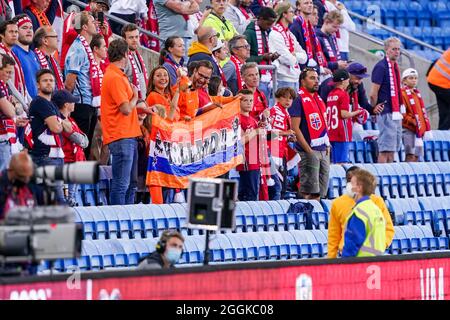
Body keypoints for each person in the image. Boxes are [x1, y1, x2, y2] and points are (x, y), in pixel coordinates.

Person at [100, 38, 142, 205]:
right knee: (122, 184)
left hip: (128, 135)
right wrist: (136, 98)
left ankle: (128, 221)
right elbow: (125, 108)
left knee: (131, 184)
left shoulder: (117, 75)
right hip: (121, 135)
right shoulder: (115, 77)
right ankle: (117, 221)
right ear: (125, 54)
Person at [328, 166, 394, 258]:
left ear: (360, 186)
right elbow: (333, 236)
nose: (350, 185)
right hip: (375, 258)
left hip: (356, 260)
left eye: (352, 182)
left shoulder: (373, 204)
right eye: (348, 181)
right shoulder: (337, 203)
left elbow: (353, 240)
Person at [29, 69, 71, 205]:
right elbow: (56, 128)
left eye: (51, 80)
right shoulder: (39, 102)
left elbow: (69, 128)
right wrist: (60, 122)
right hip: (44, 156)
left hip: (56, 155)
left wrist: (59, 122)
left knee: (56, 199)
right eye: (45, 80)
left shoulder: (52, 104)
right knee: (57, 200)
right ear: (37, 84)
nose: (49, 83)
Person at [65, 11, 101, 160]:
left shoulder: (85, 47)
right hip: (80, 105)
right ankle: (77, 181)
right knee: (79, 147)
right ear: (85, 26)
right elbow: (70, 80)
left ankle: (82, 181)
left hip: (89, 103)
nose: (96, 24)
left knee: (85, 147)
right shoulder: (78, 49)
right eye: (93, 22)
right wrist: (70, 103)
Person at [289, 68, 330, 200]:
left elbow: (323, 123)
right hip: (308, 150)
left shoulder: (318, 99)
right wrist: (308, 150)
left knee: (322, 192)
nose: (316, 81)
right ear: (303, 81)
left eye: (317, 78)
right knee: (310, 192)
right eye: (312, 78)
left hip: (323, 148)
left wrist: (327, 144)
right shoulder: (298, 99)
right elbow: (295, 127)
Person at [52, 89, 88, 207]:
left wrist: (82, 139)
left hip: (76, 162)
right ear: (66, 105)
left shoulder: (71, 120)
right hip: (67, 163)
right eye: (72, 101)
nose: (74, 104)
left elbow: (85, 140)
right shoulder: (60, 121)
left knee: (72, 196)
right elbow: (79, 139)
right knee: (68, 197)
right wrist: (82, 139)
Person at [370, 37, 403, 163]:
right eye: (394, 49)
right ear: (386, 50)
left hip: (395, 111)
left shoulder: (395, 67)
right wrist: (374, 109)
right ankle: (382, 177)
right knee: (385, 149)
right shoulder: (381, 67)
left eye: (398, 49)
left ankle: (389, 173)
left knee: (393, 149)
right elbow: (373, 93)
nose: (397, 52)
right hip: (386, 111)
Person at [341, 169, 387, 258]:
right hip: (378, 261)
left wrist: (344, 263)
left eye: (352, 183)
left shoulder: (359, 212)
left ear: (359, 188)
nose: (349, 186)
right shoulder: (375, 209)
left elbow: (353, 242)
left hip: (360, 263)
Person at [326, 69, 363, 164]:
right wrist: (357, 112)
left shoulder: (330, 94)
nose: (348, 82)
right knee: (342, 162)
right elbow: (344, 114)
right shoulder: (343, 94)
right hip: (342, 132)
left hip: (331, 131)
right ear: (343, 81)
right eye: (347, 80)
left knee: (334, 161)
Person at [269, 1, 307, 92]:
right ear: (284, 14)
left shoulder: (290, 34)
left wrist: (295, 55)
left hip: (294, 77)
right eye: (291, 12)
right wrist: (294, 56)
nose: (293, 15)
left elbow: (304, 57)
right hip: (282, 79)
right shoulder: (275, 34)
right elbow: (287, 59)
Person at [243, 7, 278, 104]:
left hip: (267, 76)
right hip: (256, 78)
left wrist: (272, 57)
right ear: (261, 19)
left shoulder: (266, 32)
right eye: (268, 23)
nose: (270, 26)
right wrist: (262, 57)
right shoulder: (249, 33)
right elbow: (244, 58)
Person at [267, 87, 297, 200]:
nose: (287, 100)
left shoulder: (285, 113)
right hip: (273, 153)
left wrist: (288, 138)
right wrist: (285, 133)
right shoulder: (274, 111)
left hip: (281, 152)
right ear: (277, 98)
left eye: (290, 98)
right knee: (276, 188)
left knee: (281, 186)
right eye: (284, 97)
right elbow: (268, 135)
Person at [0, 53, 25, 171]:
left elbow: (15, 110)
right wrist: (12, 107)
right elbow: (10, 111)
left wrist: (15, 120)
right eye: (8, 72)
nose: (10, 77)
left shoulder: (4, 86)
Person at [237, 88, 263, 201]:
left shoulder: (253, 120)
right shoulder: (237, 119)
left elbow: (263, 137)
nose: (249, 103)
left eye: (251, 100)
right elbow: (240, 141)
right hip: (247, 161)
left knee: (253, 193)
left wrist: (285, 135)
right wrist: (256, 131)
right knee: (249, 195)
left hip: (256, 160)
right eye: (245, 100)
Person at [401, 68, 432, 162]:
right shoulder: (402, 94)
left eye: (415, 78)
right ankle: (407, 174)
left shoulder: (417, 94)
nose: (414, 80)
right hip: (409, 129)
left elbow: (421, 113)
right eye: (411, 78)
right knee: (410, 155)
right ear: (404, 80)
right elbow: (403, 114)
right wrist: (414, 122)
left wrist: (422, 125)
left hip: (419, 130)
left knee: (417, 156)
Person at [290, 0, 328, 75]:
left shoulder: (311, 27)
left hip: (312, 69)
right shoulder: (295, 26)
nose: (310, 5)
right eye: (306, 3)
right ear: (298, 7)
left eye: (311, 3)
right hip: (301, 70)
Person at [0, 150, 35, 220]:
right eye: (22, 177)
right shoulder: (2, 186)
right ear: (11, 171)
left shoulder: (31, 185)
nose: (26, 180)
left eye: (28, 177)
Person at [12, 14, 40, 99]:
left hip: (37, 104)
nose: (29, 31)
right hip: (23, 105)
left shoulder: (33, 54)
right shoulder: (12, 52)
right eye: (24, 28)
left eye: (31, 28)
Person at [0, 20, 27, 102]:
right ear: (2, 35)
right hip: (10, 102)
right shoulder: (1, 54)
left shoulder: (12, 54)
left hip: (20, 102)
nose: (14, 34)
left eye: (16, 32)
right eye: (11, 32)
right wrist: (24, 105)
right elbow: (8, 83)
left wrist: (29, 102)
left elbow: (23, 85)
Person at [122, 24, 149, 101]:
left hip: (143, 101)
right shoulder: (123, 58)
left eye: (136, 37)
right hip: (131, 102)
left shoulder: (138, 55)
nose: (135, 40)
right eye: (131, 37)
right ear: (124, 39)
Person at [33, 26, 65, 90]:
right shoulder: (35, 59)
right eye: (55, 37)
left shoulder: (53, 61)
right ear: (45, 41)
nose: (58, 39)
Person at [427, 48, 450, 130]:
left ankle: (441, 133)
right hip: (442, 83)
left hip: (434, 80)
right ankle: (445, 132)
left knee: (444, 111)